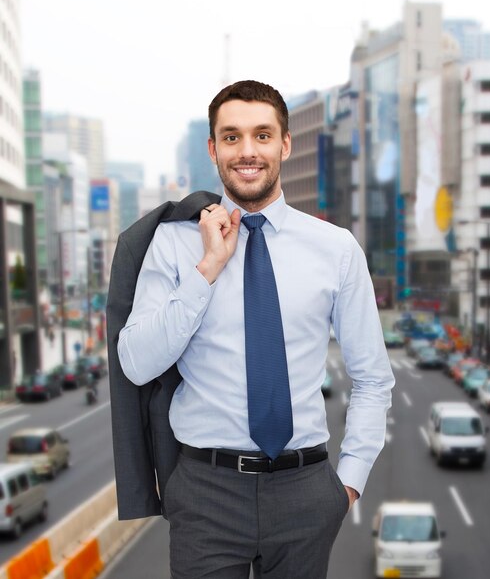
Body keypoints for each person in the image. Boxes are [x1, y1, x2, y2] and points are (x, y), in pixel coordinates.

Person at [118, 80, 395, 578]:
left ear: (285, 144)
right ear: (213, 149)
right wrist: (206, 271)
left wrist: (347, 483)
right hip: (206, 490)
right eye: (231, 137)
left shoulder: (336, 249)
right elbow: (136, 363)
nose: (247, 151)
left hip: (306, 490)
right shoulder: (174, 244)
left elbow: (373, 378)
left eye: (262, 136)